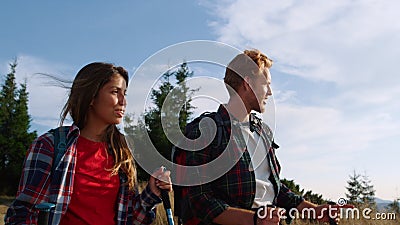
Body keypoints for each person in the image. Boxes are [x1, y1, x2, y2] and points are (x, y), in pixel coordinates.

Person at [173, 50, 350, 225]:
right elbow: (199, 201)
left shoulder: (262, 131)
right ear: (247, 83)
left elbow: (274, 189)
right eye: (266, 84)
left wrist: (313, 210)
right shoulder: (204, 131)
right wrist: (255, 219)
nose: (270, 92)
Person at [5, 62, 172, 225]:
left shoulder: (122, 152)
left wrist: (151, 193)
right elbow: (22, 215)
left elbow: (131, 219)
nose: (123, 101)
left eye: (125, 94)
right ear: (91, 97)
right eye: (115, 92)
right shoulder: (50, 145)